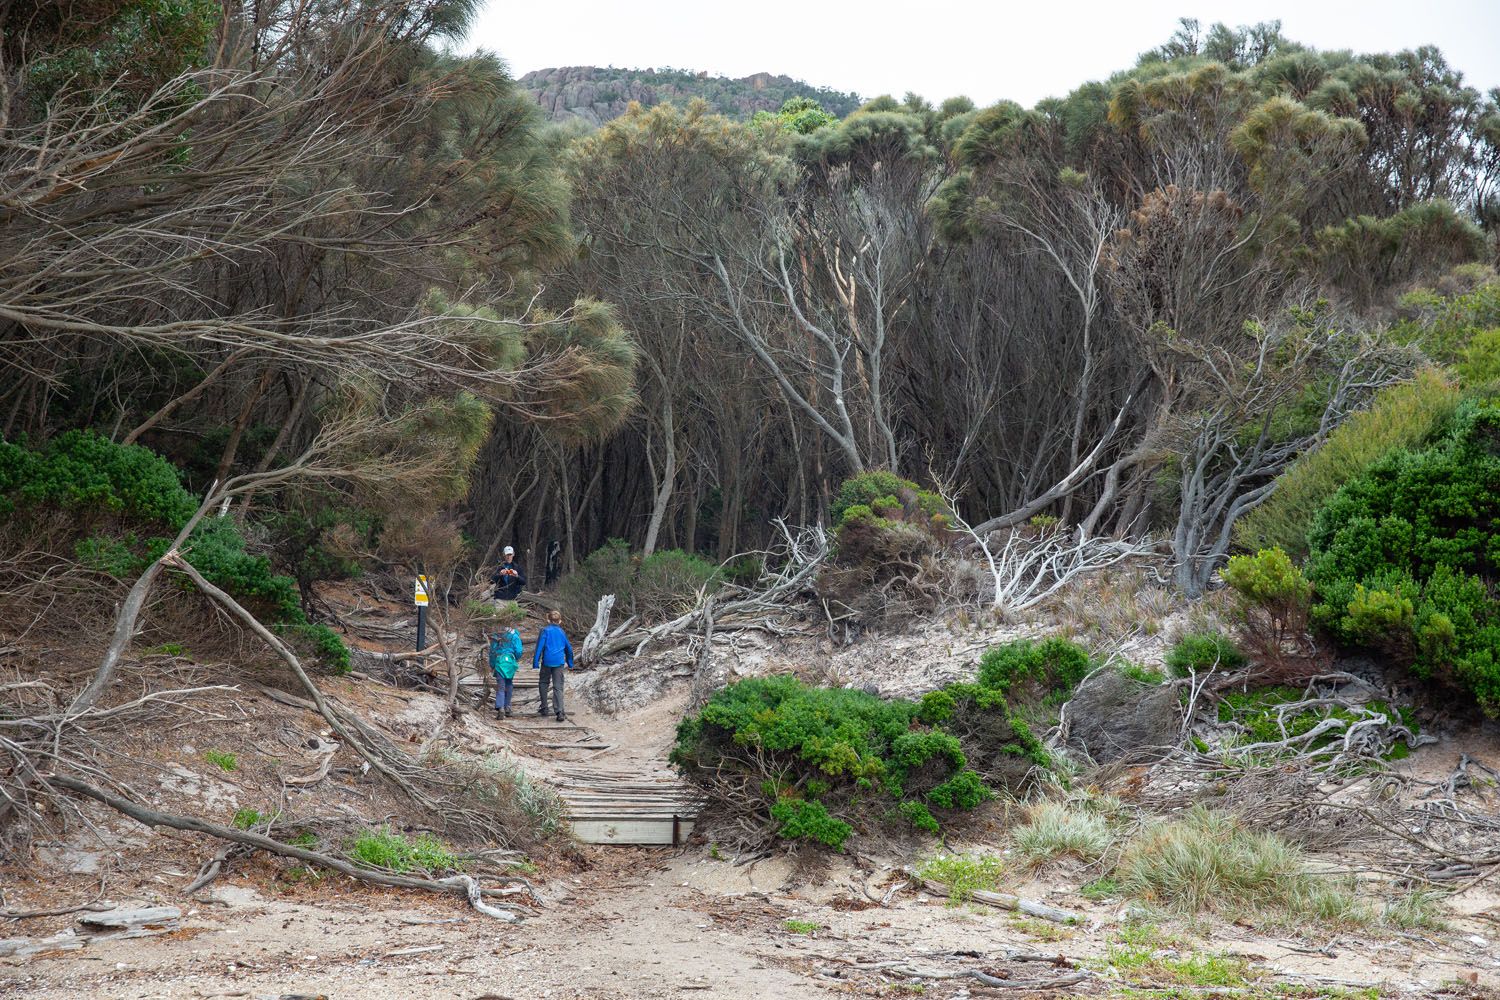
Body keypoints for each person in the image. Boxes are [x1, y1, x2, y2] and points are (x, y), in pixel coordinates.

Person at [532, 609, 573, 723]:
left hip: (547, 661)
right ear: (560, 621)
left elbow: (539, 647)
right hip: (559, 662)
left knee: (543, 682)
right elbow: (568, 648)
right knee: (558, 686)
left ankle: (544, 708)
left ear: (548, 619)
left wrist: (535, 662)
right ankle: (559, 711)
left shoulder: (545, 631)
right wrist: (570, 662)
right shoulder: (562, 632)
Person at [488, 627, 523, 719]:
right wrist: (516, 658)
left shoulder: (496, 635)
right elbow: (519, 651)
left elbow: (492, 652)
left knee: (501, 686)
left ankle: (500, 707)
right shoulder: (514, 636)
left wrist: (492, 665)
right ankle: (507, 706)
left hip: (500, 661)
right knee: (509, 683)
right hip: (510, 662)